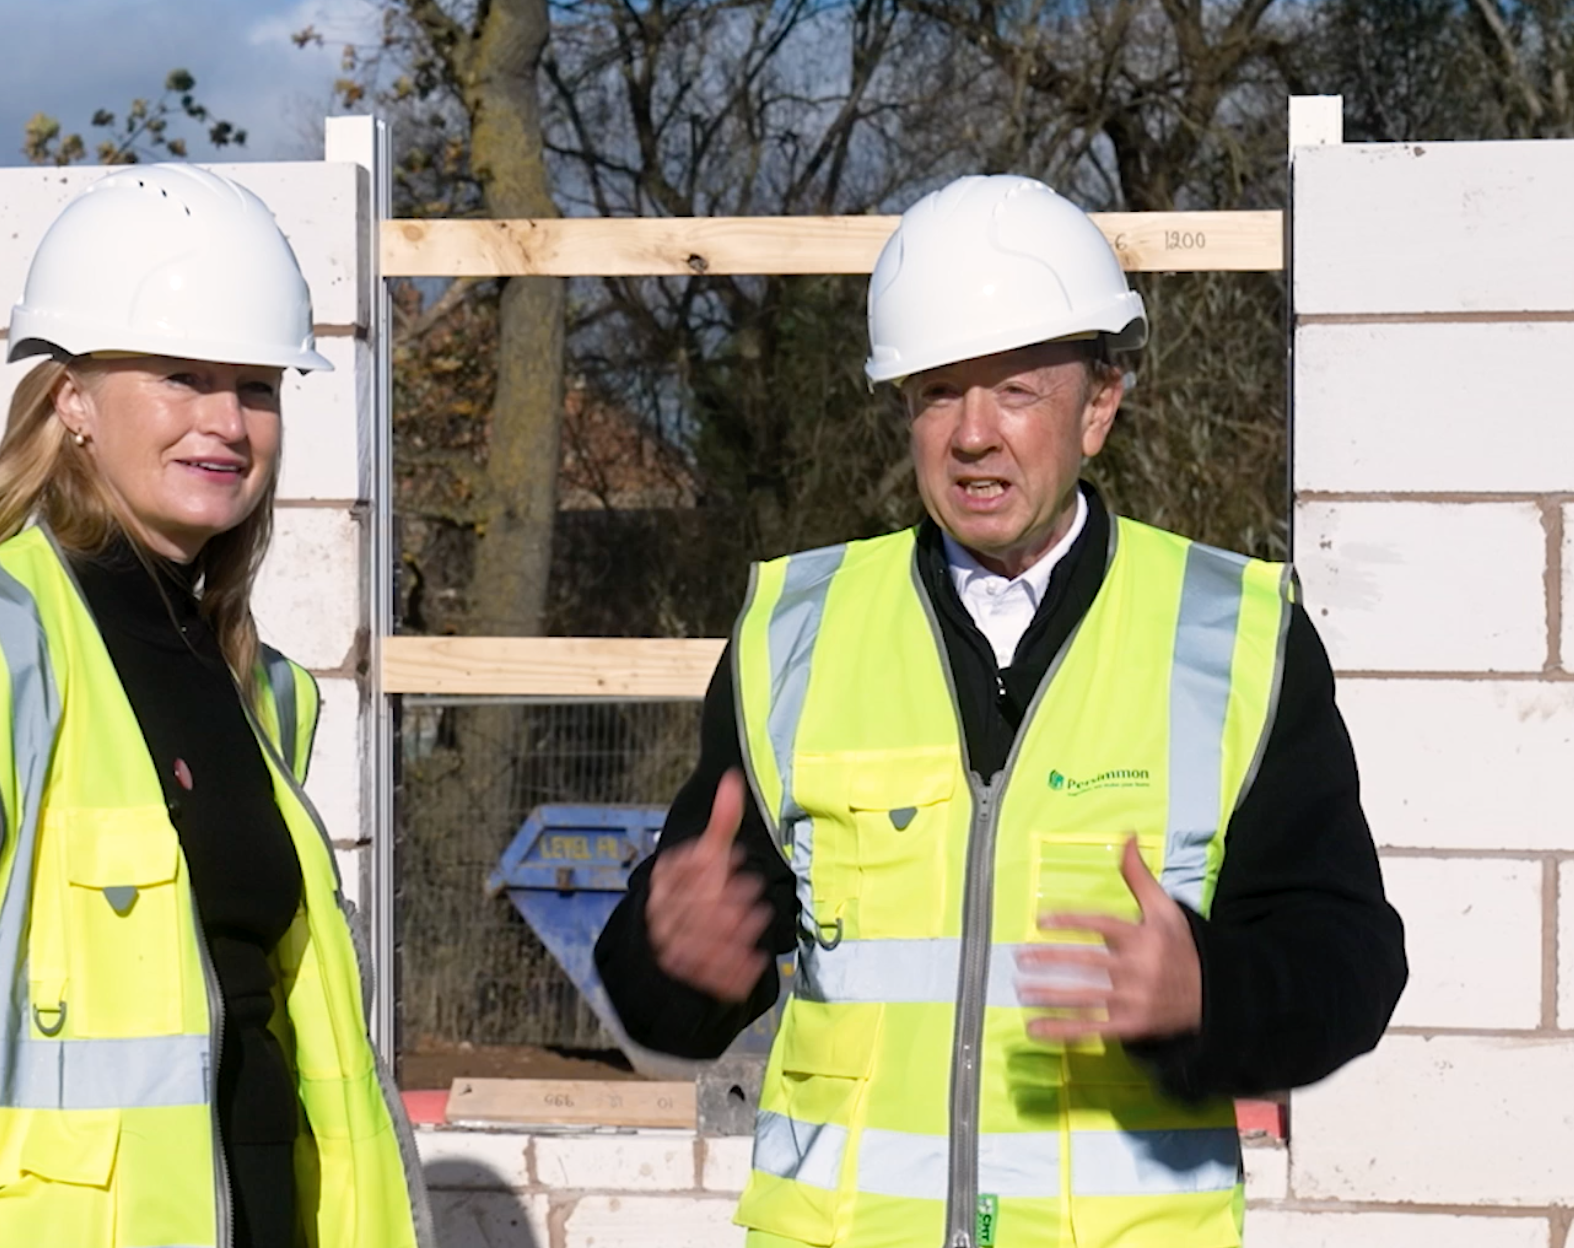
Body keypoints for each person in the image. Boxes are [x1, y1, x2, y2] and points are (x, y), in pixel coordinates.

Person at [594, 175, 1406, 1248]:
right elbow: (682, 978)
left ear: (1100, 405)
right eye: (938, 392)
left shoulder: (1234, 637)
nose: (973, 434)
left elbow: (1349, 963)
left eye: (1017, 390)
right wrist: (665, 957)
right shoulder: (795, 632)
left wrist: (1214, 988)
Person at [0, 165, 431, 1248]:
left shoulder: (253, 688)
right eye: (182, 375)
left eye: (258, 387)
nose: (228, 422)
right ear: (70, 399)